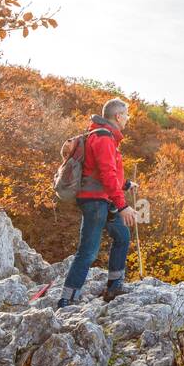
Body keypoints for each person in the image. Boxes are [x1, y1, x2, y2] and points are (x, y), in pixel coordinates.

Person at [58, 98, 138, 307]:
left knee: (122, 236)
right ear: (118, 116)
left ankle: (114, 287)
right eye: (126, 115)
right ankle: (68, 298)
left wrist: (125, 184)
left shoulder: (106, 136)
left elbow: (104, 174)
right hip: (94, 202)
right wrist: (123, 205)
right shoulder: (103, 137)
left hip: (104, 199)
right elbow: (106, 174)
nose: (128, 119)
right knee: (88, 250)